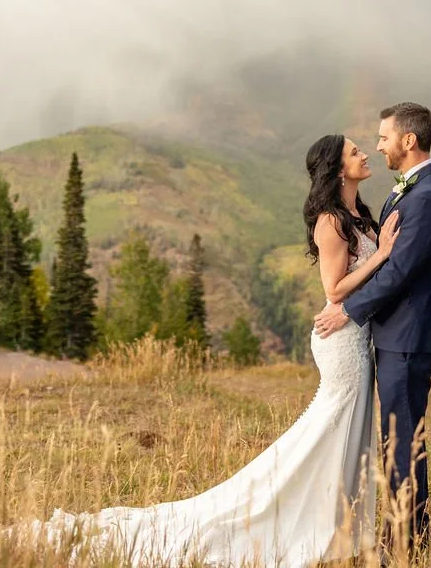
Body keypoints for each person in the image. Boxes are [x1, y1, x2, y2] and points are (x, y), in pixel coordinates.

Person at [22, 133, 399, 567]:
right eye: (354, 151)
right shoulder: (331, 222)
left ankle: (340, 527)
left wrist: (383, 248)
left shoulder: (362, 215)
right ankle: (302, 522)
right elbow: (333, 289)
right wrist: (382, 253)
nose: (364, 153)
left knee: (347, 431)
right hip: (342, 341)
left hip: (357, 332)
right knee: (331, 430)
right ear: (336, 168)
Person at [314, 101, 431, 555]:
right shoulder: (406, 192)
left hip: (410, 336)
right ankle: (406, 533)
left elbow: (400, 273)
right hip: (393, 335)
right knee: (395, 438)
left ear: (408, 140)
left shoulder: (429, 197)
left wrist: (349, 310)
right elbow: (383, 264)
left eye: (383, 138)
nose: (378, 146)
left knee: (402, 440)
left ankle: (408, 542)